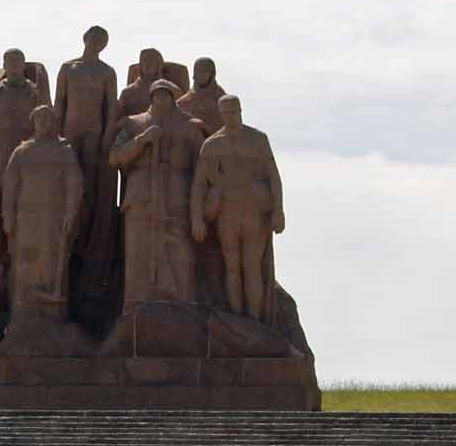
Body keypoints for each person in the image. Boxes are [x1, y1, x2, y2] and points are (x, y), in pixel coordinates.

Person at [106, 80, 205, 307]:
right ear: (151, 97)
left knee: (179, 253)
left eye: (166, 94)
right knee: (138, 253)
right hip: (141, 196)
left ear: (173, 97)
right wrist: (141, 141)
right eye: (157, 94)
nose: (161, 99)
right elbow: (115, 157)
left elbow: (203, 165)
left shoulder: (189, 125)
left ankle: (181, 309)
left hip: (177, 197)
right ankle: (136, 310)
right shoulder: (134, 123)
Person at [191, 94, 285, 322]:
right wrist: (197, 218)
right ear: (220, 114)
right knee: (232, 267)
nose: (230, 116)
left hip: (254, 212)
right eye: (225, 113)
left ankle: (255, 323)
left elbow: (273, 177)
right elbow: (199, 185)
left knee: (252, 268)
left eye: (233, 112)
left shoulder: (258, 139)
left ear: (240, 111)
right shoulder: (212, 145)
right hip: (227, 213)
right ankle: (240, 322)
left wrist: (278, 210)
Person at [53, 25, 121, 324]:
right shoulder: (69, 68)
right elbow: (59, 104)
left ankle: (89, 236)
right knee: (68, 186)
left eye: (101, 40)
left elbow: (111, 109)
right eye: (93, 38)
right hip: (70, 130)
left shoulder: (107, 72)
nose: (96, 43)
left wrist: (108, 137)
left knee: (91, 191)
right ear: (84, 39)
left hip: (94, 133)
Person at [0, 105, 86, 327]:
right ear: (33, 122)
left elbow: (74, 184)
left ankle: (51, 314)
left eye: (48, 119)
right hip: (26, 217)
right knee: (25, 262)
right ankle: (23, 312)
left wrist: (70, 212)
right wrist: (7, 216)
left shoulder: (63, 151)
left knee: (51, 260)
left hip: (53, 216)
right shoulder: (21, 152)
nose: (43, 123)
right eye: (39, 119)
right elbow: (9, 187)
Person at [0, 48, 47, 178]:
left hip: (27, 145)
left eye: (18, 61)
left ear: (23, 65)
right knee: (1, 183)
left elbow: (45, 119)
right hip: (1, 146)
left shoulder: (34, 91)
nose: (14, 65)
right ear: (4, 65)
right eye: (10, 61)